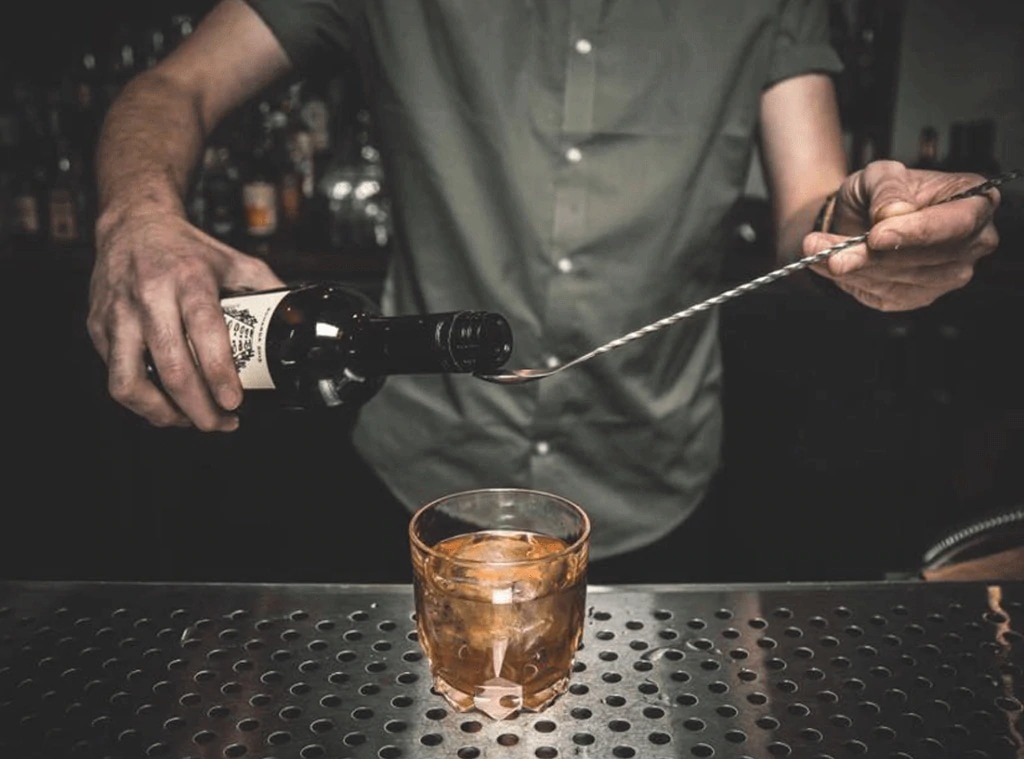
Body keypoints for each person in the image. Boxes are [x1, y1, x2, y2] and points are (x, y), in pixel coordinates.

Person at [86, 0, 1002, 584]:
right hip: (416, 485)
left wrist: (864, 232)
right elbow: (177, 85)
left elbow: (816, 205)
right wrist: (138, 216)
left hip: (652, 495)